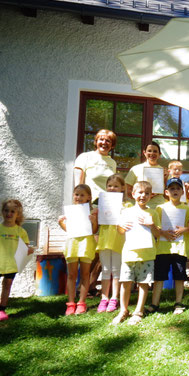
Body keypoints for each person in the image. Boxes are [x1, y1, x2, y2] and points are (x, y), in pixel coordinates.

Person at [113, 181, 162, 325]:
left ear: (151, 196)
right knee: (125, 282)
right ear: (133, 194)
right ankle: (123, 310)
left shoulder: (153, 213)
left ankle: (138, 311)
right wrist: (119, 226)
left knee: (143, 283)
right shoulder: (126, 212)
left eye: (147, 193)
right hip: (129, 253)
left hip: (147, 254)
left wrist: (151, 225)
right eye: (140, 192)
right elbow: (120, 230)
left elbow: (158, 234)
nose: (143, 196)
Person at [0, 199, 33, 324]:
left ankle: (1, 310)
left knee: (7, 285)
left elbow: (25, 248)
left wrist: (29, 250)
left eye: (12, 211)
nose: (9, 213)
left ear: (17, 214)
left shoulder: (21, 231)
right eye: (6, 210)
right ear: (2, 212)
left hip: (11, 264)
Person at [150, 178, 189, 315]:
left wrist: (184, 230)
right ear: (166, 192)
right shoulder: (160, 208)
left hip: (180, 248)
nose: (175, 191)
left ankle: (178, 302)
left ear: (182, 192)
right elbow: (155, 227)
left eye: (178, 188)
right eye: (172, 188)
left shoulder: (187, 208)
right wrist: (163, 233)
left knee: (179, 276)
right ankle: (154, 303)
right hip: (162, 248)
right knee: (159, 276)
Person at [58, 184, 98, 315]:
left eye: (82, 195)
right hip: (72, 244)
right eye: (76, 194)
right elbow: (69, 229)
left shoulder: (92, 211)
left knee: (85, 274)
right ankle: (70, 303)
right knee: (71, 274)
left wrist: (94, 221)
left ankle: (81, 302)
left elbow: (94, 230)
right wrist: (61, 223)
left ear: (88, 197)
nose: (78, 197)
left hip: (86, 244)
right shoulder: (70, 211)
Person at [95, 174, 126, 314]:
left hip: (118, 240)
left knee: (116, 270)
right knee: (106, 269)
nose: (112, 188)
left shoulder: (126, 205)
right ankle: (104, 298)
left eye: (116, 186)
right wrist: (95, 215)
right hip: (104, 239)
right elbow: (95, 224)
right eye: (109, 186)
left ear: (122, 188)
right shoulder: (100, 203)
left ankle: (114, 297)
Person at [73, 129, 117, 203]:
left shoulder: (112, 162)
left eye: (108, 141)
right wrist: (79, 202)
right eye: (101, 139)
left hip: (107, 204)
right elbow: (78, 186)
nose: (104, 142)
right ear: (96, 142)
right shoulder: (85, 157)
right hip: (89, 204)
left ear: (112, 145)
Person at [125, 141, 166, 208]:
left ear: (160, 154)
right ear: (144, 153)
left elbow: (169, 191)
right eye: (149, 151)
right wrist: (141, 195)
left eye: (155, 151)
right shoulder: (135, 169)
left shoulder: (163, 171)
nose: (152, 153)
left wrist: (157, 192)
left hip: (158, 206)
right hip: (139, 207)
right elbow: (127, 189)